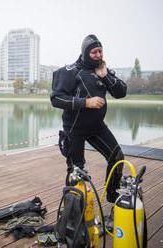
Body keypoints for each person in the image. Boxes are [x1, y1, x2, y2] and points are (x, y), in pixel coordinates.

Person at [50, 34, 127, 228]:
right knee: (77, 172)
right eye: (94, 51)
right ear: (85, 52)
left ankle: (112, 197)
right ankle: (74, 215)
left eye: (100, 51)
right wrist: (86, 102)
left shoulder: (100, 71)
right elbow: (56, 98)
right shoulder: (70, 71)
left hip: (97, 127)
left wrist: (106, 75)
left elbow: (121, 93)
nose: (98, 54)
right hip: (74, 129)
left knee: (117, 157)